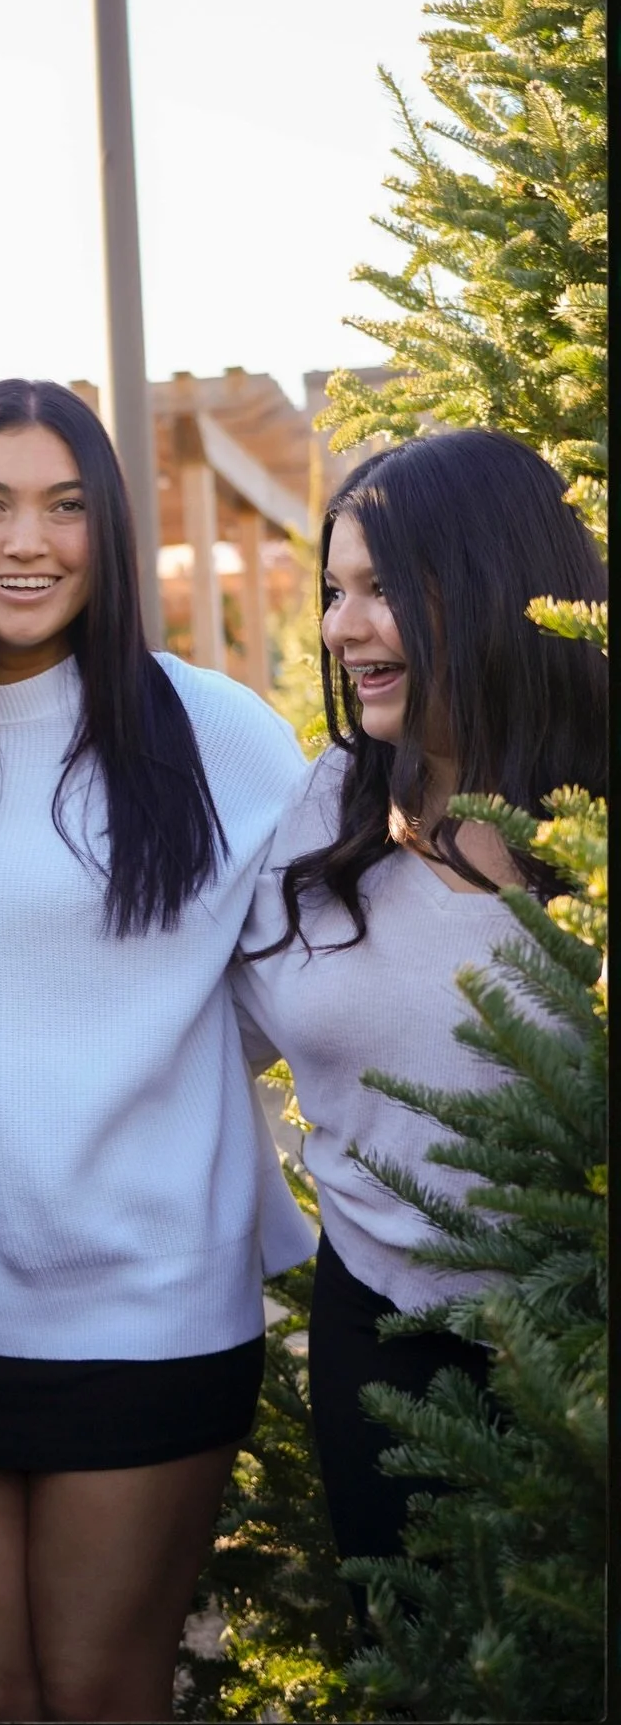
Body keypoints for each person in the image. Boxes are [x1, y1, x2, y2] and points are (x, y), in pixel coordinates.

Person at [0, 380, 316, 1721]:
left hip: (151, 1309)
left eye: (66, 506)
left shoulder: (223, 736)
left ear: (110, 530)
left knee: (100, 1697)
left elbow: (298, 985)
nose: (23, 541)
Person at [230, 429, 608, 1621]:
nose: (342, 629)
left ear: (493, 580)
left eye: (383, 589)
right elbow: (212, 1021)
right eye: (338, 592)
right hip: (383, 1346)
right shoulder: (327, 804)